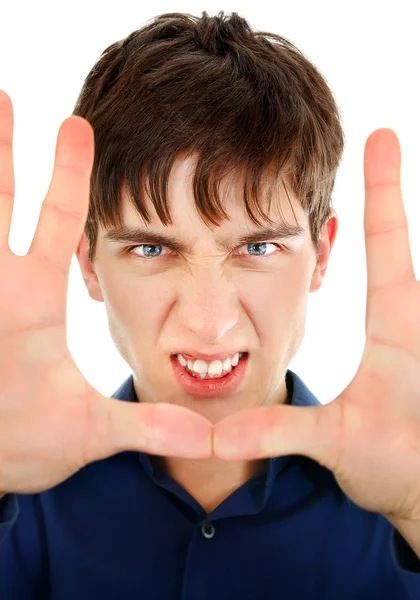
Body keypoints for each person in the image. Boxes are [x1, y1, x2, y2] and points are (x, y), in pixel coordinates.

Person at [0, 10, 419, 599]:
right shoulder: (17, 487)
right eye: (151, 248)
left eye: (258, 246)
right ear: (89, 262)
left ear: (322, 257)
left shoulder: (401, 494)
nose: (209, 322)